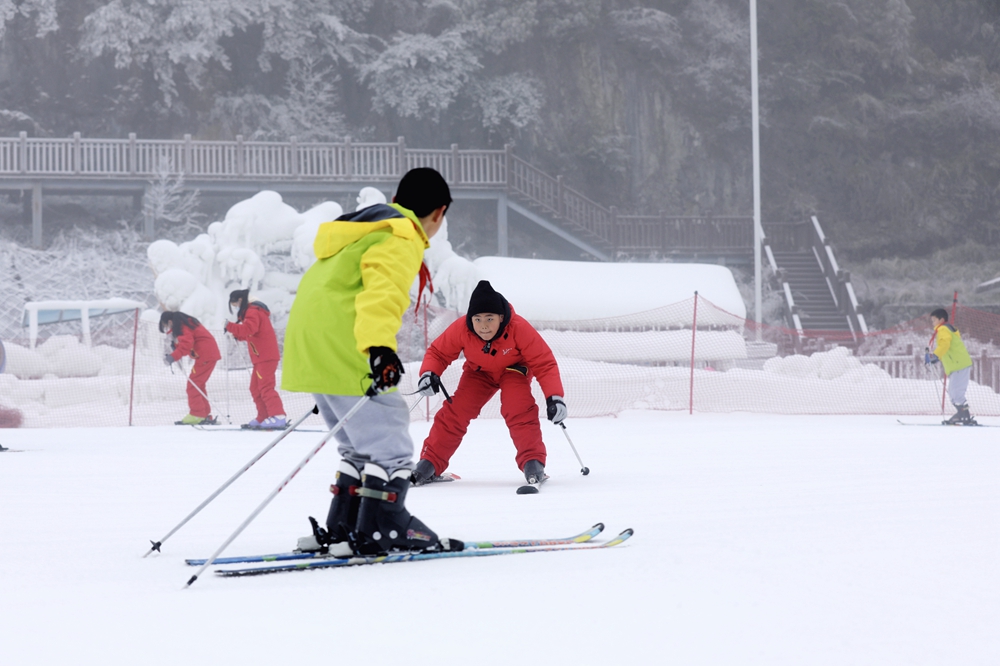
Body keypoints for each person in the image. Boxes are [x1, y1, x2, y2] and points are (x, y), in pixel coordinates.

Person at [282, 167, 458, 556]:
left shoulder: (364, 231)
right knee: (390, 435)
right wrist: (380, 348)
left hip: (313, 344)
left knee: (360, 445)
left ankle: (347, 523)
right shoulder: (400, 235)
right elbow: (382, 291)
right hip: (350, 341)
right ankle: (385, 526)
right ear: (439, 213)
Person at [411, 280, 568, 487]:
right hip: (479, 373)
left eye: (489, 318)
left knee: (518, 407)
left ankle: (533, 461)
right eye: (477, 319)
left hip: (513, 370)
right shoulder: (462, 329)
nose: (483, 325)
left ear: (501, 317)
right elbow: (438, 352)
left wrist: (554, 397)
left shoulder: (518, 328)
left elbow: (544, 363)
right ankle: (430, 462)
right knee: (455, 411)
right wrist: (429, 374)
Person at [224, 289, 286, 429]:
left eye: (236, 305)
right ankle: (264, 415)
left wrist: (230, 326)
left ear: (241, 300)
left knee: (265, 387)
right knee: (255, 388)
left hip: (265, 356)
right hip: (260, 357)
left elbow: (249, 329)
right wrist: (237, 335)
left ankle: (278, 416)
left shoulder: (253, 311)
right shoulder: (253, 311)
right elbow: (252, 333)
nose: (236, 308)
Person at [160, 311, 221, 425]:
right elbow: (189, 341)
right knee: (198, 385)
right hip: (207, 355)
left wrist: (173, 357)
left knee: (192, 386)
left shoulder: (182, 326)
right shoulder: (187, 323)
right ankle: (205, 414)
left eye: (166, 325)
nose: (168, 327)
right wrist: (176, 346)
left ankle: (197, 414)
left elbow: (186, 345)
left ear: (170, 321)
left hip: (205, 356)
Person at [926, 308, 975, 425]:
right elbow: (948, 347)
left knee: (956, 393)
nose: (932, 323)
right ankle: (962, 415)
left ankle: (963, 416)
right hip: (958, 364)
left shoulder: (942, 329)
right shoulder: (947, 329)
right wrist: (936, 357)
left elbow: (945, 344)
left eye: (933, 320)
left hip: (959, 365)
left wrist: (935, 356)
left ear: (941, 320)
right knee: (954, 393)